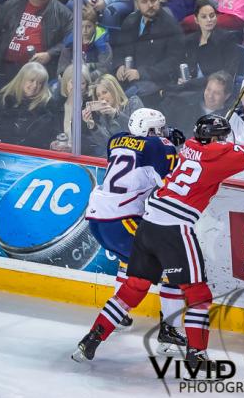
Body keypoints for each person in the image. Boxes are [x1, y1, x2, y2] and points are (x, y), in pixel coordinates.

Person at [72, 111, 244, 369]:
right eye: (221, 137)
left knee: (134, 288)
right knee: (198, 294)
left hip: (148, 222)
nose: (225, 140)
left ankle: (91, 339)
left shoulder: (188, 148)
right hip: (174, 228)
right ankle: (196, 357)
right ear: (215, 139)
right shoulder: (220, 156)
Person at [84, 107, 188, 355]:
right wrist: (178, 151)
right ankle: (170, 331)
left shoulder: (115, 140)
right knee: (170, 265)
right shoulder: (159, 147)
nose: (163, 133)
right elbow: (171, 183)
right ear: (151, 130)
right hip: (122, 218)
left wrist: (166, 144)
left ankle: (119, 317)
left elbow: (139, 157)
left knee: (127, 262)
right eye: (159, 129)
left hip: (96, 218)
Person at [0, 0, 73, 83]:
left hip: (37, 71)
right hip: (4, 66)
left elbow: (70, 42)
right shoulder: (10, 6)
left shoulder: (64, 14)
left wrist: (49, 54)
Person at [114, 0, 184, 100]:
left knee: (130, 96)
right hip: (128, 78)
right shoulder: (130, 21)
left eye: (153, 0)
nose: (150, 5)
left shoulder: (171, 26)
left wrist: (140, 73)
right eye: (144, 2)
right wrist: (119, 65)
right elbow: (119, 48)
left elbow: (173, 62)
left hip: (156, 81)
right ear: (137, 4)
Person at [0, 62, 56, 149]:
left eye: (40, 83)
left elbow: (47, 138)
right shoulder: (3, 99)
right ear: (21, 79)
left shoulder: (47, 107)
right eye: (31, 80)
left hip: (29, 155)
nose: (35, 86)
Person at [176, 0, 240, 92]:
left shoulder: (228, 39)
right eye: (204, 17)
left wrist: (191, 84)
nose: (209, 20)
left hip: (214, 91)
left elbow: (226, 75)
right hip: (190, 88)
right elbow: (180, 64)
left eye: (212, 15)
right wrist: (181, 78)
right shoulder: (189, 40)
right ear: (196, 20)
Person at [81, 74, 144, 157]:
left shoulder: (133, 102)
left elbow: (139, 132)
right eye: (98, 95)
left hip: (136, 157)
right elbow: (107, 143)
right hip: (116, 158)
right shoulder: (105, 114)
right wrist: (93, 126)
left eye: (104, 92)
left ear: (114, 90)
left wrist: (116, 114)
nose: (101, 98)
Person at [160, 70, 233, 135]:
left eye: (216, 93)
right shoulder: (185, 105)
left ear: (227, 96)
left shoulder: (230, 118)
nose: (210, 96)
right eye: (208, 90)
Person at [57, 5, 113, 81]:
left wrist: (85, 79)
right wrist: (65, 77)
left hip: (95, 82)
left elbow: (104, 69)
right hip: (72, 81)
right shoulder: (70, 43)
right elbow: (62, 66)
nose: (84, 30)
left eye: (88, 26)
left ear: (95, 25)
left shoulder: (102, 45)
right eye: (81, 26)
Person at [49, 64, 91, 147]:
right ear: (66, 83)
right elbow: (48, 132)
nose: (77, 87)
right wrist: (51, 144)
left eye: (82, 83)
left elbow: (92, 140)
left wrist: (73, 147)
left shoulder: (91, 107)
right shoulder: (55, 104)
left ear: (86, 86)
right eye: (73, 82)